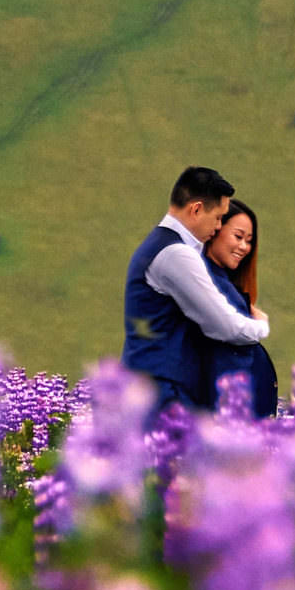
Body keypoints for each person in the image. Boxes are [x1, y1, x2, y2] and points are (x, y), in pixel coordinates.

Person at [121, 166, 270, 415]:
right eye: (218, 217)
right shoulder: (177, 254)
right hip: (165, 392)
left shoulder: (161, 245)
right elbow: (224, 326)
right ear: (197, 209)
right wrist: (261, 325)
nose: (219, 225)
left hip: (154, 388)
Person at [202, 200, 279, 418]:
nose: (244, 247)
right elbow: (228, 366)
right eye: (238, 236)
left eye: (249, 241)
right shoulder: (212, 287)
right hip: (232, 429)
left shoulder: (217, 283)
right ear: (214, 230)